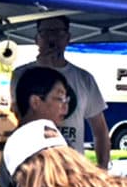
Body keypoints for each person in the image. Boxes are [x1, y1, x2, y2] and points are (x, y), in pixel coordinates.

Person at [10, 15, 111, 167]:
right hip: (34, 166)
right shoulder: (21, 74)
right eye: (46, 32)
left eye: (58, 32)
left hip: (73, 168)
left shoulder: (84, 78)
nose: (52, 38)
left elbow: (100, 130)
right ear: (36, 39)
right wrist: (43, 70)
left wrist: (103, 169)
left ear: (68, 38)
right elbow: (20, 116)